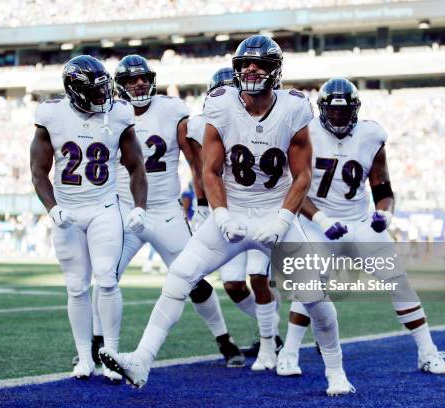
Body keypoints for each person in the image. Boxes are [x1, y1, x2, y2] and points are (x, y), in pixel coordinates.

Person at [100, 35, 343, 394]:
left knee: (315, 299)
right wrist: (222, 214)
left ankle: (336, 372)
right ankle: (142, 360)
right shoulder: (221, 103)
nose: (251, 69)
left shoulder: (293, 106)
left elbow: (303, 174)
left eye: (259, 64)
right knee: (181, 275)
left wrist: (283, 220)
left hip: (275, 213)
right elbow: (209, 171)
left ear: (275, 70)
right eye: (245, 64)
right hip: (234, 214)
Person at [277, 78, 445, 384]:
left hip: (358, 223)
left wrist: (385, 215)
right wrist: (320, 220)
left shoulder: (372, 135)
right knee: (309, 286)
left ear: (356, 111)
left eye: (344, 113)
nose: (339, 118)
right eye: (333, 112)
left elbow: (383, 189)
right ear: (322, 111)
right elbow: (292, 190)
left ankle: (428, 352)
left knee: (399, 281)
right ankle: (289, 353)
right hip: (317, 222)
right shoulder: (306, 134)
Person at [92, 54, 244, 367]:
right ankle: (100, 345)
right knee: (106, 277)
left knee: (193, 278)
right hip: (124, 210)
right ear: (120, 86)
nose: (140, 83)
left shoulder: (172, 109)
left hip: (166, 211)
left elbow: (195, 161)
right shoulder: (110, 113)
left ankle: (224, 339)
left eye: (144, 77)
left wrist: (203, 205)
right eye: (132, 79)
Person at [30, 55, 148, 381]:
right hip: (67, 210)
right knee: (76, 287)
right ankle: (84, 357)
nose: (103, 96)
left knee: (107, 278)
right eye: (95, 91)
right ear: (76, 91)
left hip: (104, 208)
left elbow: (136, 165)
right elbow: (39, 171)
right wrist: (53, 208)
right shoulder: (51, 115)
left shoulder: (119, 113)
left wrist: (139, 205)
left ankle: (110, 353)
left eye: (103, 89)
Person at [186, 67, 283, 353]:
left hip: (260, 208)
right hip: (225, 214)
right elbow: (200, 170)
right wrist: (204, 207)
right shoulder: (199, 126)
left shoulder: (268, 120)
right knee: (233, 286)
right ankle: (274, 328)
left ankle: (271, 341)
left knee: (258, 276)